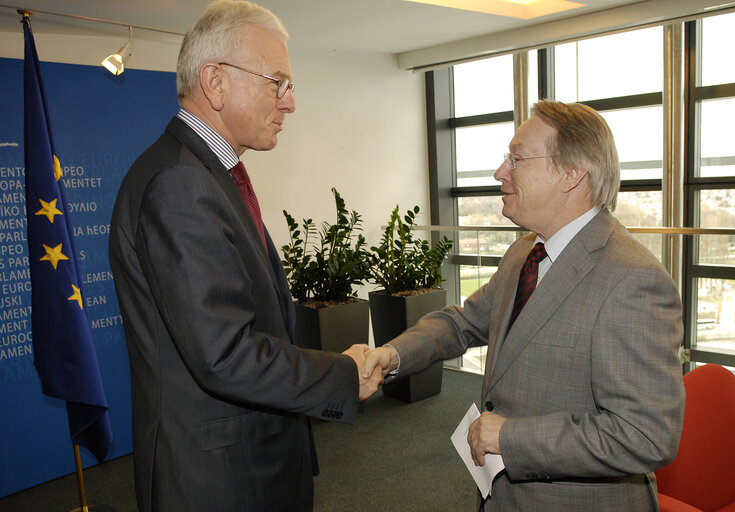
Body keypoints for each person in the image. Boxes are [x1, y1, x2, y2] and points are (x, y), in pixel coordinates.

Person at [109, 2, 381, 511]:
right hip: (221, 481)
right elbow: (223, 353)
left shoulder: (208, 173)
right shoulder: (181, 183)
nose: (291, 102)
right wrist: (340, 374)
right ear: (215, 82)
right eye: (277, 82)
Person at [364, 100, 685, 511]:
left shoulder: (632, 280)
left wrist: (510, 437)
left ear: (572, 173)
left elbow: (645, 434)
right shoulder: (524, 253)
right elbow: (463, 323)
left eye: (516, 158)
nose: (500, 172)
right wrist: (391, 355)